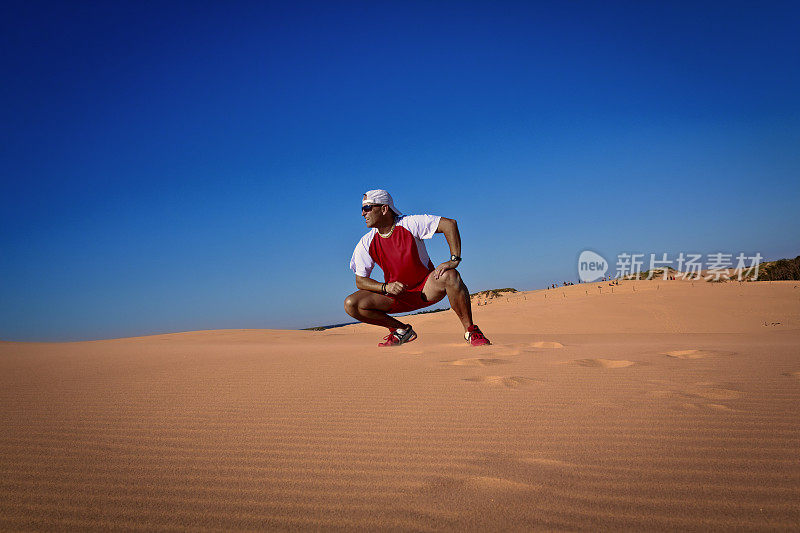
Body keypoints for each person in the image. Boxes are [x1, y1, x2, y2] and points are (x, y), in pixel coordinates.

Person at [344, 189, 491, 347]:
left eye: (367, 208)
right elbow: (360, 280)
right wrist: (385, 287)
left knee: (450, 275)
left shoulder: (409, 223)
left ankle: (471, 331)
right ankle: (400, 330)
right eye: (362, 209)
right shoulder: (366, 242)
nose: (363, 214)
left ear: (384, 208)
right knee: (351, 304)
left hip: (426, 289)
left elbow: (449, 224)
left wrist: (454, 259)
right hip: (396, 296)